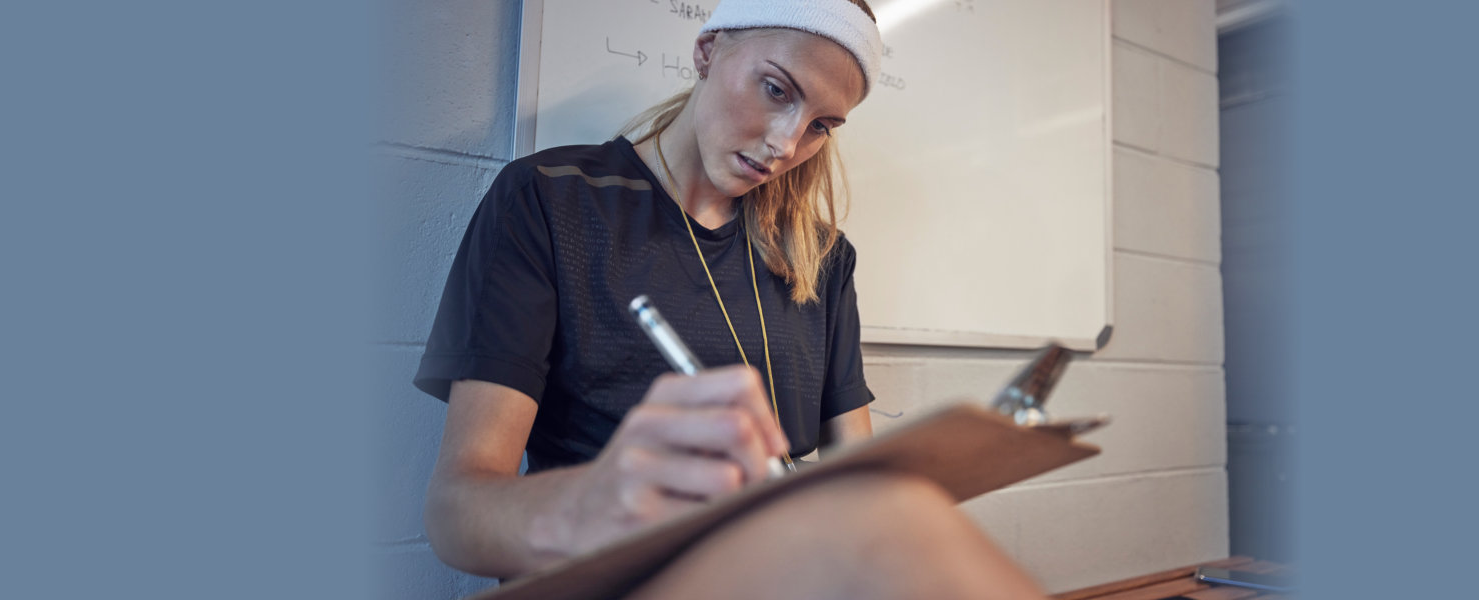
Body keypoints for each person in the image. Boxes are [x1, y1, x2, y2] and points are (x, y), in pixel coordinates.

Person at [412, 1, 1049, 597]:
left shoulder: (820, 257)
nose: (785, 145)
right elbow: (455, 513)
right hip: (616, 575)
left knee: (896, 510)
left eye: (820, 126)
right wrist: (593, 505)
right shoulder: (552, 200)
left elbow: (856, 478)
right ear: (709, 49)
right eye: (776, 90)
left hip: (783, 569)